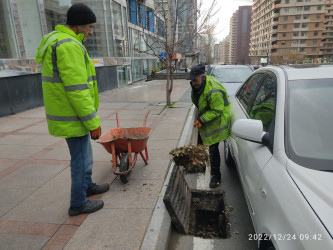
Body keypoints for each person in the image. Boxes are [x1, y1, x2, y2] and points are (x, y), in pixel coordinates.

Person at [35, 3, 109, 216]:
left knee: (85, 156)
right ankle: (78, 204)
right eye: (89, 27)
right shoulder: (69, 46)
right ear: (79, 25)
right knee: (80, 160)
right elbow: (77, 90)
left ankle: (87, 187)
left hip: (71, 115)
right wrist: (94, 122)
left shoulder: (60, 41)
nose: (91, 32)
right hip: (72, 117)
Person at [188, 64, 231, 188]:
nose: (193, 83)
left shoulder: (213, 90)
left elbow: (217, 110)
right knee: (200, 145)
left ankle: (216, 176)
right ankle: (199, 166)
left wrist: (201, 119)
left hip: (217, 122)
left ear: (203, 76)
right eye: (192, 80)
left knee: (212, 150)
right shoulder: (198, 85)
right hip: (207, 118)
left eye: (195, 80)